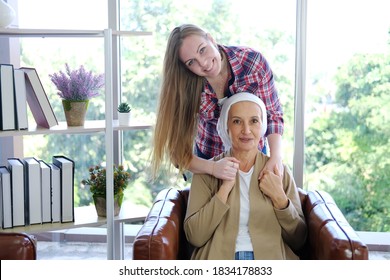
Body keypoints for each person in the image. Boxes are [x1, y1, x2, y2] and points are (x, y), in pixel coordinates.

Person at [151, 24, 284, 181]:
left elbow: (273, 115)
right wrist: (213, 168)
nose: (204, 64)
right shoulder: (185, 85)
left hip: (253, 156)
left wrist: (276, 157)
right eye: (191, 62)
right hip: (207, 162)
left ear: (211, 39)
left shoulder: (252, 63)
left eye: (202, 50)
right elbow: (177, 153)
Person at [183, 92, 307, 260]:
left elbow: (299, 240)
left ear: (262, 126)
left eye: (254, 121)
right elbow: (195, 236)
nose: (246, 130)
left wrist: (280, 198)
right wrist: (224, 190)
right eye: (237, 121)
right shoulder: (206, 172)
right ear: (226, 127)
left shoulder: (278, 171)